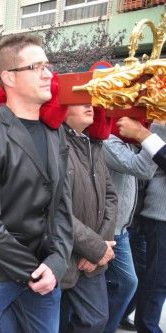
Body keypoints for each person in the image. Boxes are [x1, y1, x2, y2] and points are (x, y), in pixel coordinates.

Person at [0, 34, 73, 332]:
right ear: (9, 77)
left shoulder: (55, 133)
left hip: (46, 272)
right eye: (36, 66)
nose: (48, 74)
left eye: (47, 65)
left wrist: (57, 263)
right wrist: (33, 270)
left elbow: (61, 205)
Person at [58, 104, 118, 332]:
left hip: (91, 257)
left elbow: (111, 196)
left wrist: (99, 248)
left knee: (96, 319)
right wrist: (95, 247)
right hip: (61, 253)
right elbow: (56, 208)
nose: (89, 106)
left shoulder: (94, 145)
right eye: (79, 101)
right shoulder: (55, 143)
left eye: (90, 101)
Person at [102, 121, 158, 333]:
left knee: (128, 283)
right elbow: (144, 168)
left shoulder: (125, 142)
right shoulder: (108, 140)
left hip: (124, 228)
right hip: (111, 230)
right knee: (126, 283)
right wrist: (156, 130)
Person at [117, 117, 166, 332]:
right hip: (159, 216)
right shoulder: (160, 120)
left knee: (153, 279)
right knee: (156, 281)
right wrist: (143, 134)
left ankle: (125, 314)